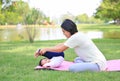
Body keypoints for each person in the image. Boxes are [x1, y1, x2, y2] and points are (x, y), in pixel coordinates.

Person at [34, 19, 107, 72]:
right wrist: (42, 50)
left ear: (69, 30)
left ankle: (97, 68)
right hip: (96, 60)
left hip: (98, 64)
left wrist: (47, 49)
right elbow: (61, 45)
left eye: (64, 31)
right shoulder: (77, 35)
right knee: (77, 59)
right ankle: (87, 65)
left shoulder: (76, 37)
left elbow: (60, 49)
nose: (63, 33)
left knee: (72, 68)